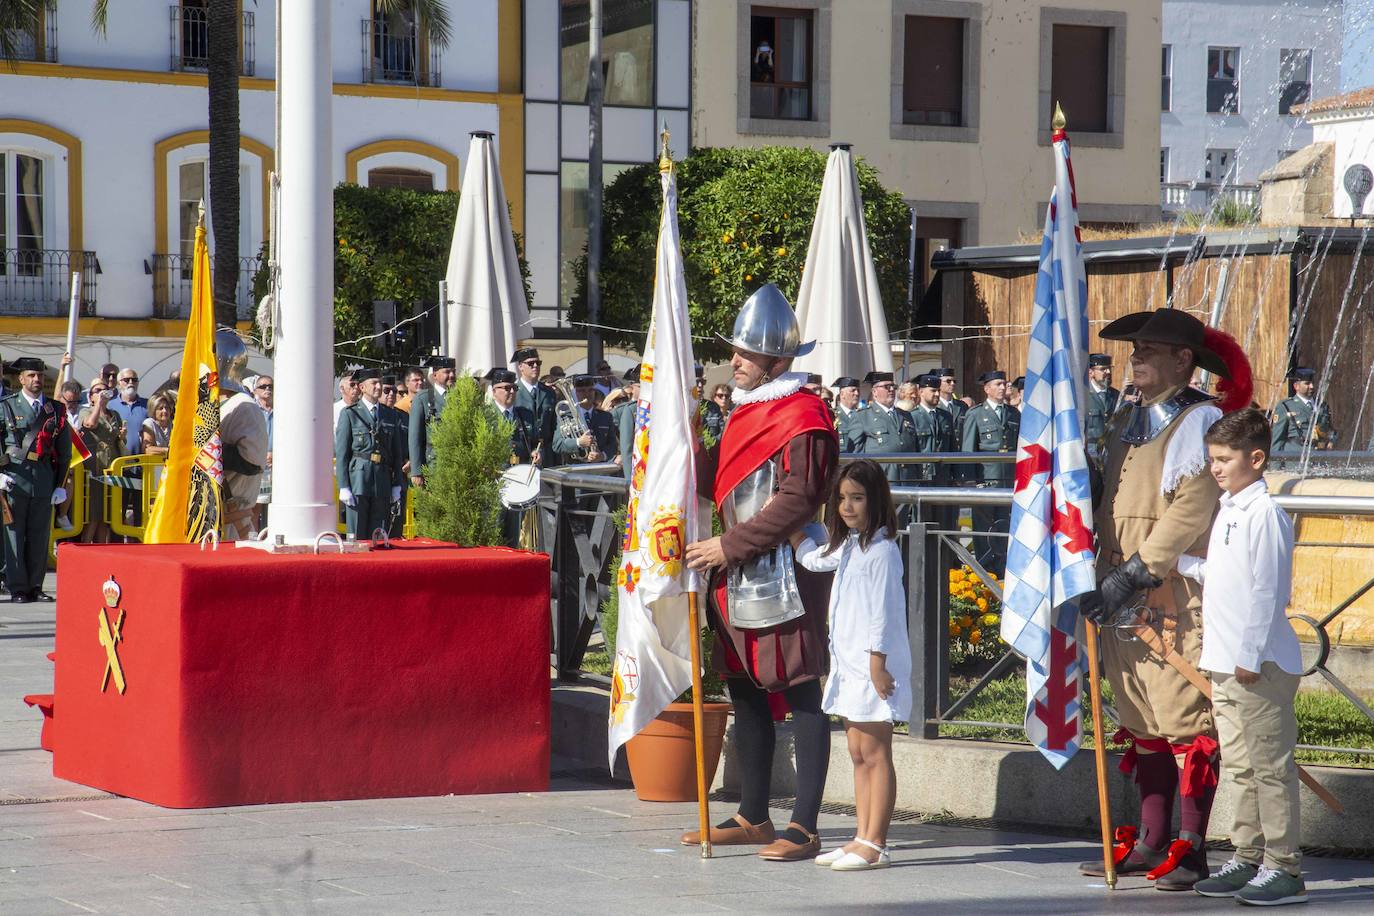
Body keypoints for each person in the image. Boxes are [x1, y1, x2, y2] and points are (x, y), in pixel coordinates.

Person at [1077, 308, 1241, 892]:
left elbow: (1191, 508)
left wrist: (1139, 570)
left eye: (1150, 349)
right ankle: (1151, 839)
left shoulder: (1199, 421)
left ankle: (1191, 847)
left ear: (1183, 361)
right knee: (1141, 720)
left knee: (1184, 723)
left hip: (1169, 596)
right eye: (1135, 350)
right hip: (1116, 590)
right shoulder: (1128, 417)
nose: (1136, 358)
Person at [681, 283, 838, 862]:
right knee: (743, 691)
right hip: (733, 571)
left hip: (783, 574)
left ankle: (806, 824)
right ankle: (753, 814)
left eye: (746, 355)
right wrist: (681, 439)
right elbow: (722, 482)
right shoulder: (745, 410)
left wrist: (730, 546)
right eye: (736, 353)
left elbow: (799, 498)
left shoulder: (805, 416)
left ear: (778, 361)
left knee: (802, 693)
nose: (735, 362)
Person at [1179, 409, 1307, 906]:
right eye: (1212, 458)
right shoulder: (1230, 509)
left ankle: (1284, 867)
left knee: (1271, 768)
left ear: (1256, 458)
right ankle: (1247, 856)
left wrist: (1250, 655)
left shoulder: (1264, 514)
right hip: (1225, 660)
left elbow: (1267, 593)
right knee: (1239, 766)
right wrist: (1180, 565)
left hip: (1258, 665)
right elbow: (1225, 575)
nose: (1215, 467)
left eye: (1225, 459)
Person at [791, 459, 910, 870]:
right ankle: (860, 836)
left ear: (875, 499)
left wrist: (878, 663)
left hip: (873, 666)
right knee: (858, 752)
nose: (847, 506)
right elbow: (814, 558)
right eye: (841, 498)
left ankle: (876, 843)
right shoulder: (851, 545)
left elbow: (884, 613)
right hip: (849, 664)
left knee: (876, 752)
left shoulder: (882, 550)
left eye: (857, 498)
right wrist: (792, 528)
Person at [0, 357, 71, 602]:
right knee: (14, 535)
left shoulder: (56, 409)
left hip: (43, 479)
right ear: (21, 379)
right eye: (31, 375)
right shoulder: (6, 406)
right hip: (14, 478)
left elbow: (64, 453)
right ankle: (18, 586)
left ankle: (36, 586)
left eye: (39, 375)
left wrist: (60, 486)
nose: (37, 380)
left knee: (40, 536)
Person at [335, 367, 406, 540]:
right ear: (362, 387)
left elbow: (397, 453)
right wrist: (343, 486)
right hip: (358, 479)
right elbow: (343, 453)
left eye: (380, 383)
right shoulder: (350, 414)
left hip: (382, 478)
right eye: (374, 383)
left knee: (379, 533)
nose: (378, 387)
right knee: (357, 534)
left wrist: (396, 483)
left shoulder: (390, 415)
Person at [961, 370, 1019, 574]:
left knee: (1005, 527)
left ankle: (1003, 571)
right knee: (984, 529)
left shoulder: (1013, 414)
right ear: (987, 389)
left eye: (1004, 383)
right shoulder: (976, 414)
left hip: (1008, 480)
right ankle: (984, 573)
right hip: (985, 481)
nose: (1003, 387)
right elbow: (968, 451)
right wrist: (971, 482)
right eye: (998, 384)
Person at [215, 330, 269, 541]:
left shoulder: (244, 406)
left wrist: (209, 450)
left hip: (232, 515)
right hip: (207, 515)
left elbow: (252, 462)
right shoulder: (208, 405)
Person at [489, 367, 541, 547]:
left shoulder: (524, 414)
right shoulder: (486, 415)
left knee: (513, 529)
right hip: (495, 479)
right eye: (506, 388)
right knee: (495, 526)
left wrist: (535, 451)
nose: (511, 391)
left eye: (514, 388)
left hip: (518, 479)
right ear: (494, 391)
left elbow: (534, 441)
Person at [80, 376, 124, 544]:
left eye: (104, 390)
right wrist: (98, 404)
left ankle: (101, 550)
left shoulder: (115, 414)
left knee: (106, 514)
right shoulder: (86, 411)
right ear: (90, 396)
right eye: (97, 391)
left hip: (111, 468)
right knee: (94, 513)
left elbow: (116, 439)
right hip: (94, 469)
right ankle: (85, 550)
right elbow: (89, 425)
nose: (101, 393)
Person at [856, 371, 918, 489]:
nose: (891, 389)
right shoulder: (862, 417)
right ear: (874, 392)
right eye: (886, 387)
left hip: (907, 479)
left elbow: (915, 447)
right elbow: (856, 453)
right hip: (880, 479)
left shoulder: (905, 415)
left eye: (893, 386)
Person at [408, 355, 456, 488]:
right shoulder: (423, 398)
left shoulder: (459, 398)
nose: (451, 375)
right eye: (447, 372)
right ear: (435, 375)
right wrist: (417, 471)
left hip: (457, 466)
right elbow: (415, 437)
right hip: (434, 465)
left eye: (453, 371)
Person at [1271, 367, 1335, 456]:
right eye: (1307, 383)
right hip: (1295, 460)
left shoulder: (1322, 406)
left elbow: (1331, 431)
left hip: (1319, 460)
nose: (1312, 386)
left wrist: (1331, 441)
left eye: (1312, 383)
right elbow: (1277, 440)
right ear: (1296, 386)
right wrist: (1276, 467)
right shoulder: (1286, 406)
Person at [553, 375, 617, 463]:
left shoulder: (605, 416)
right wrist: (578, 442)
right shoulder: (566, 416)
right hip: (575, 468)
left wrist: (602, 455)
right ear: (575, 393)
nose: (587, 394)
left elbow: (613, 444)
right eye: (581, 391)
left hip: (600, 468)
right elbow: (557, 444)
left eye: (590, 390)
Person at [512, 347, 557, 468]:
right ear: (520, 366)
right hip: (523, 457)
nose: (535, 366)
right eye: (531, 363)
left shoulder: (548, 392)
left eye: (538, 363)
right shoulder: (513, 392)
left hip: (547, 455)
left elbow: (554, 425)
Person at [911, 374, 955, 483]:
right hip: (922, 475)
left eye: (938, 391)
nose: (937, 394)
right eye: (933, 391)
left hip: (944, 475)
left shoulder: (946, 416)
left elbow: (952, 447)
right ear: (921, 392)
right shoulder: (912, 417)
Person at [1085, 353, 1120, 456]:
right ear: (1091, 372)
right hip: (1090, 455)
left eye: (1109, 368)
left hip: (1111, 454)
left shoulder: (1116, 396)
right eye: (1103, 369)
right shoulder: (1084, 396)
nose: (1108, 372)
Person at [109, 367, 149, 456]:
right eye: (126, 380)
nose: (131, 383)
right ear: (119, 384)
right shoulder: (110, 406)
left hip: (143, 461)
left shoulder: (148, 405)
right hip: (119, 462)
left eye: (134, 380)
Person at [251, 374, 274, 530]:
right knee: (255, 506)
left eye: (270, 386)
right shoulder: (251, 409)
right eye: (263, 386)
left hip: (277, 466)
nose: (267, 389)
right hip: (257, 463)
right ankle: (253, 539)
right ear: (255, 390)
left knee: (275, 506)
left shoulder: (282, 409)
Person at [612, 366, 640, 479]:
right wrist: (630, 480)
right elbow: (627, 448)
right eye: (641, 387)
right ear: (632, 387)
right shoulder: (629, 410)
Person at [832, 377, 862, 453]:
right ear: (842, 394)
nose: (857, 394)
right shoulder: (832, 415)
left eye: (858, 390)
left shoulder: (863, 415)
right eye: (853, 391)